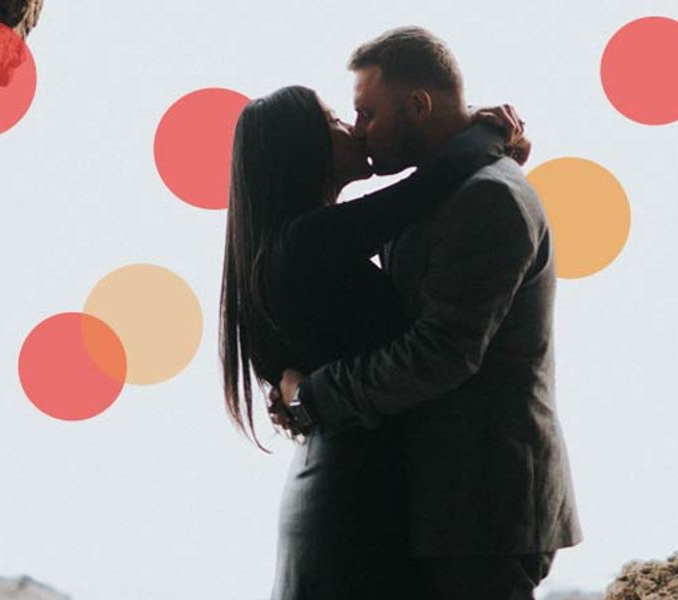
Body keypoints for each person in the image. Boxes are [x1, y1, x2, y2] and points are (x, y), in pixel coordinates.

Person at [274, 26, 581, 600]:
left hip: (482, 504)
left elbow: (441, 352)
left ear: (417, 106)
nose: (359, 130)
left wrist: (313, 395)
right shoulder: (440, 192)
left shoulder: (485, 196)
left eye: (367, 113)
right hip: (447, 501)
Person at [218, 81, 526, 598]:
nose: (352, 128)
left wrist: (299, 392)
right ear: (306, 149)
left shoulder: (289, 246)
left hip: (344, 482)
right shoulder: (309, 239)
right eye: (335, 120)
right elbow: (429, 186)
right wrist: (490, 128)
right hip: (354, 498)